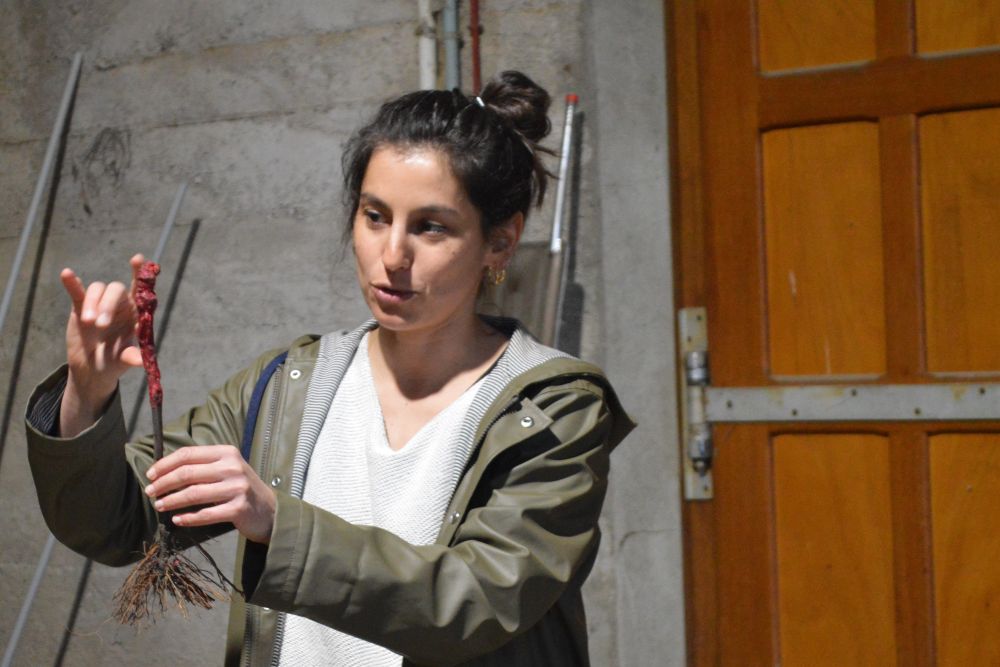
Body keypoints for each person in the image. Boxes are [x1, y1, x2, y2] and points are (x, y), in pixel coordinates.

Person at [25, 71, 634, 666]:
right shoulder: (287, 387)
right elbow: (116, 524)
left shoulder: (552, 407)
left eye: (431, 227)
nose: (392, 255)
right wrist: (87, 390)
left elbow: (479, 600)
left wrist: (277, 524)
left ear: (499, 242)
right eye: (375, 216)